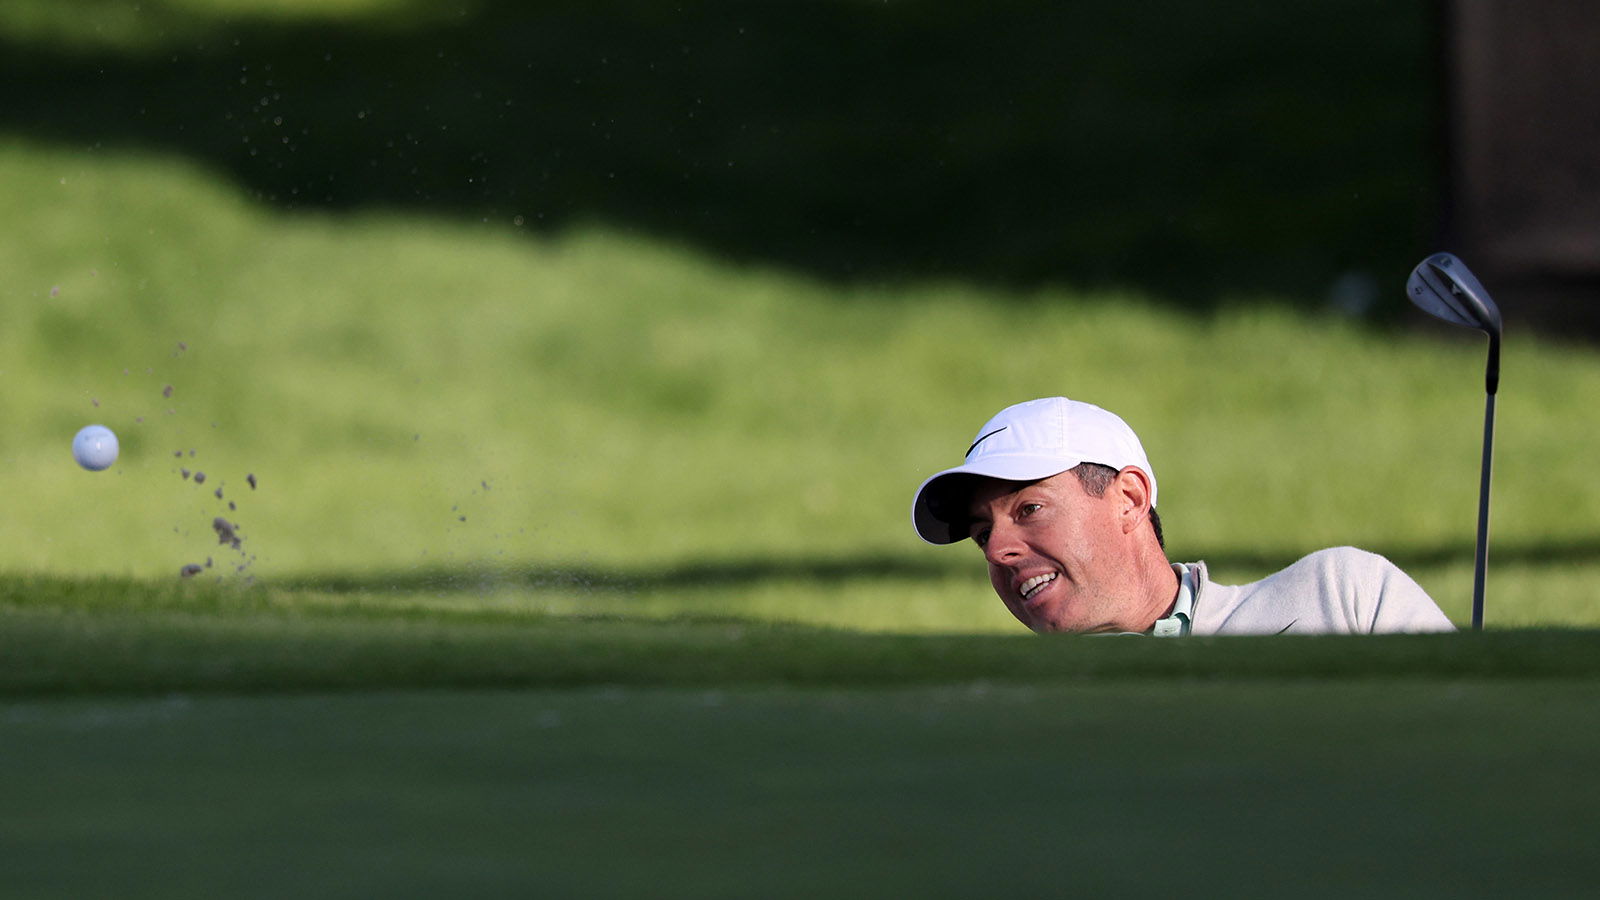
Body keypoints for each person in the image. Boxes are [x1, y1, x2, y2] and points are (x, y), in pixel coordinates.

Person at [911, 397, 1455, 635]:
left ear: (1129, 498)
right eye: (983, 536)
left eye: (1029, 509)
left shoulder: (1338, 596)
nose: (999, 549)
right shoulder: (1025, 724)